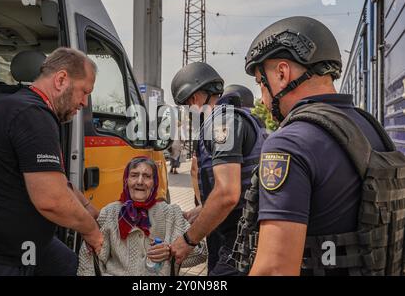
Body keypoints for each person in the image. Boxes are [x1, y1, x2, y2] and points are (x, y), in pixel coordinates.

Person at [236, 16, 405, 276]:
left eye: (261, 82)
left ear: (282, 73)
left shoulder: (289, 143)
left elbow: (275, 269)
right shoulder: (372, 129)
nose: (262, 96)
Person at [0, 47, 103, 276]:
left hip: (22, 246)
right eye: (84, 91)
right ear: (61, 79)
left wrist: (90, 210)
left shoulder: (19, 106)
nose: (84, 102)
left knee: (69, 267)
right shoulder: (32, 115)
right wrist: (92, 232)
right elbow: (52, 199)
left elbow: (54, 181)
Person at [170, 62, 266, 275]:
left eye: (186, 107)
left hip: (241, 239)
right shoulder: (232, 118)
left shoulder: (221, 123)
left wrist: (188, 240)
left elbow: (227, 194)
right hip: (248, 232)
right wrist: (203, 210)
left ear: (194, 99)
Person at [77, 157, 207, 276]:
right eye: (134, 175)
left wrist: (170, 251)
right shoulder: (110, 213)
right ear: (126, 180)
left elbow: (201, 253)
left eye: (146, 176)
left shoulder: (171, 213)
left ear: (154, 182)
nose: (140, 181)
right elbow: (89, 260)